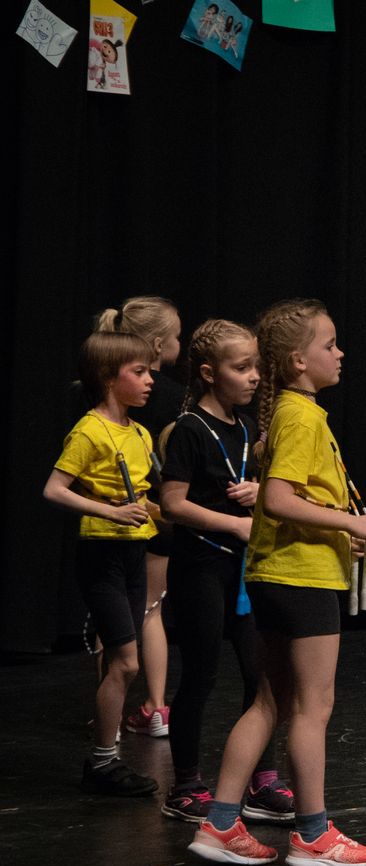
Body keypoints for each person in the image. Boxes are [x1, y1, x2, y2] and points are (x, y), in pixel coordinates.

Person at [188, 301, 366, 866]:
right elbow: (279, 500)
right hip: (299, 579)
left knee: (271, 702)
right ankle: (313, 835)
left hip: (277, 574)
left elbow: (293, 500)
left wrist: (337, 530)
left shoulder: (288, 411)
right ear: (299, 360)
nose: (340, 353)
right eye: (329, 344)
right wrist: (352, 523)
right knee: (312, 707)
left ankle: (220, 824)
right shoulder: (302, 417)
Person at [157, 320, 293, 824]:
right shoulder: (191, 429)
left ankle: (262, 780)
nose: (255, 376)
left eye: (256, 366)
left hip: (244, 570)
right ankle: (186, 785)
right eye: (242, 367)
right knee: (200, 674)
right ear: (210, 373)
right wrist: (235, 524)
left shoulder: (247, 428)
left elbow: (256, 486)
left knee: (262, 675)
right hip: (201, 567)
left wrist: (258, 493)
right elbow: (172, 504)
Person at [42, 331, 161, 797]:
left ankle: (105, 760)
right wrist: (110, 512)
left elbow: (146, 500)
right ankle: (103, 762)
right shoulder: (89, 430)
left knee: (123, 663)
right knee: (126, 664)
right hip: (102, 554)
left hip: (133, 552)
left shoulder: (140, 432)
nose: (150, 380)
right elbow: (54, 489)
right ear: (109, 378)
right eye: (139, 372)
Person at [95, 297, 182, 740]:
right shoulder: (174, 396)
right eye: (177, 336)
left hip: (124, 515)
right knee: (150, 611)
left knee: (112, 617)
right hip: (159, 514)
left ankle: (109, 715)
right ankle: (155, 706)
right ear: (158, 343)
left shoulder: (112, 388)